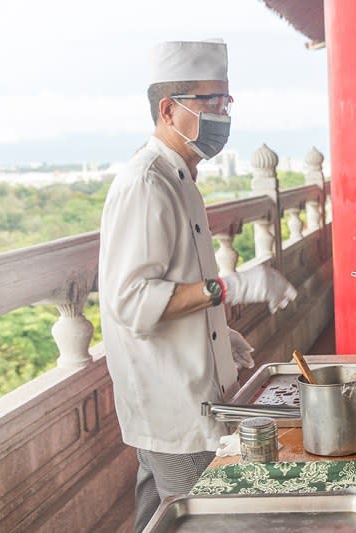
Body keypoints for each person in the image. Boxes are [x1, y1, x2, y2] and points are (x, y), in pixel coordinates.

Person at [98, 39, 297, 532]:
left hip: (188, 385)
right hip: (172, 402)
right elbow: (130, 300)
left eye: (226, 102)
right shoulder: (146, 183)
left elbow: (174, 285)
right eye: (212, 102)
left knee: (159, 514)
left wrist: (215, 334)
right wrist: (229, 288)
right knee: (205, 518)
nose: (223, 115)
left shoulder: (182, 177)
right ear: (169, 109)